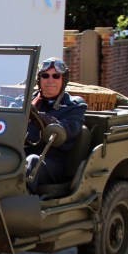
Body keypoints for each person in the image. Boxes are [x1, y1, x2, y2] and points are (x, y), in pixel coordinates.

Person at [25, 57, 87, 190]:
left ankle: (23, 200)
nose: (50, 80)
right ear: (39, 79)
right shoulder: (28, 100)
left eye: (56, 76)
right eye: (45, 76)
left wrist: (39, 116)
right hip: (23, 152)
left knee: (33, 161)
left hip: (53, 162)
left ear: (63, 80)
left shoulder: (74, 105)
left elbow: (68, 129)